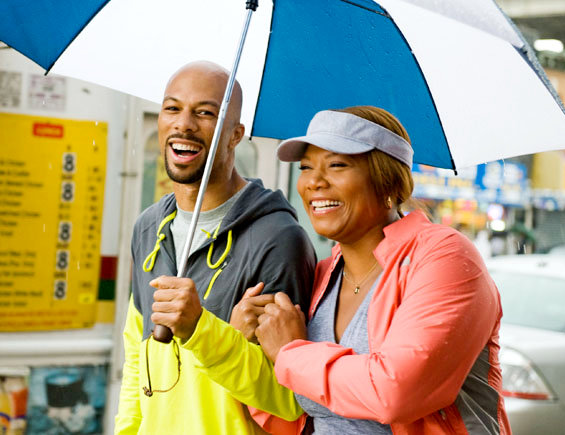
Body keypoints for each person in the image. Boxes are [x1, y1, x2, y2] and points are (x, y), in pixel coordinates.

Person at [220, 107, 512, 434]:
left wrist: (289, 353)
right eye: (306, 167)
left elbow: (395, 393)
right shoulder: (323, 274)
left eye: (336, 165)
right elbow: (290, 414)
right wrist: (242, 348)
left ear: (387, 180)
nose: (314, 181)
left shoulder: (445, 258)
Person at [114, 61, 316, 434]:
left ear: (235, 134)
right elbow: (135, 361)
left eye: (205, 113)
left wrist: (201, 329)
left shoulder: (277, 239)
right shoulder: (149, 227)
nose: (184, 124)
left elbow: (289, 401)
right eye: (172, 108)